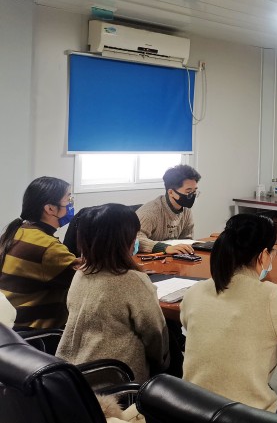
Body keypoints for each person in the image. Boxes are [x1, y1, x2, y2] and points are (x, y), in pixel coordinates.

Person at [179, 214, 277, 422]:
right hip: (241, 417)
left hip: (191, 411)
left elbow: (188, 322)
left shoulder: (196, 291)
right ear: (263, 255)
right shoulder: (269, 296)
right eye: (272, 252)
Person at [56, 204, 168, 383]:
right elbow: (155, 335)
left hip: (70, 375)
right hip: (114, 380)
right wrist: (163, 363)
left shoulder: (81, 273)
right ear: (125, 241)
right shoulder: (133, 280)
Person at [0, 177, 78, 329]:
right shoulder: (48, 247)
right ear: (50, 209)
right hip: (35, 333)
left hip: (10, 329)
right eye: (68, 200)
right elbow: (85, 280)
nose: (71, 205)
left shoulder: (16, 232)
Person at [136, 164, 201, 254]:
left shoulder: (186, 210)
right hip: (149, 257)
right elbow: (136, 239)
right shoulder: (150, 212)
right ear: (171, 192)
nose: (192, 195)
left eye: (194, 191)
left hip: (172, 257)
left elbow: (187, 238)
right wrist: (165, 248)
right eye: (188, 191)